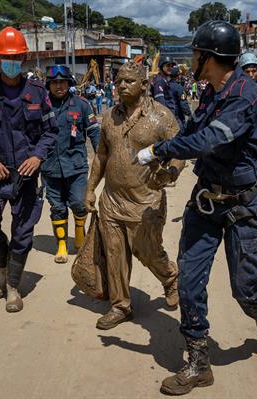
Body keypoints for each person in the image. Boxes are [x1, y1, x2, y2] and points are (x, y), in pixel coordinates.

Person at [136, 21, 257, 395]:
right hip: (205, 202)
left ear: (209, 57)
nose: (191, 59)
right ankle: (199, 362)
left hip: (241, 206)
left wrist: (159, 149)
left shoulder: (244, 95)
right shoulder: (212, 91)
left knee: (244, 287)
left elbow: (211, 138)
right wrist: (168, 160)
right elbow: (191, 132)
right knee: (188, 280)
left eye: (196, 53)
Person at [0, 26, 58, 312]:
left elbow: (51, 132)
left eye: (16, 57)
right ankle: (3, 269)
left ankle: (12, 285)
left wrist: (38, 157)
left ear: (24, 57)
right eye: (6, 57)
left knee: (23, 232)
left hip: (26, 175)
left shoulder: (38, 93)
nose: (11, 62)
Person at [83, 61, 184, 330]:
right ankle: (120, 305)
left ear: (144, 85)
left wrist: (170, 173)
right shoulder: (108, 117)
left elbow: (179, 154)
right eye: (119, 81)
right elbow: (101, 155)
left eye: (129, 81)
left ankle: (170, 277)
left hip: (145, 202)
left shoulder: (162, 117)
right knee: (115, 254)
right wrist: (91, 189)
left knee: (148, 252)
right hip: (112, 201)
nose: (122, 86)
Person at [41, 65, 100, 264]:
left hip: (75, 165)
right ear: (49, 85)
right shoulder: (42, 105)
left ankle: (79, 234)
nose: (59, 86)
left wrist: (103, 157)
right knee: (57, 207)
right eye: (55, 83)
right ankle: (62, 245)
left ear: (69, 83)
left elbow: (94, 132)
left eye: (63, 82)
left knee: (78, 202)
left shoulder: (82, 105)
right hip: (50, 166)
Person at [169, 66, 192, 134]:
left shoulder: (165, 85)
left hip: (166, 115)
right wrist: (189, 114)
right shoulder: (179, 88)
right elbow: (183, 103)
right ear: (178, 76)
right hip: (177, 116)